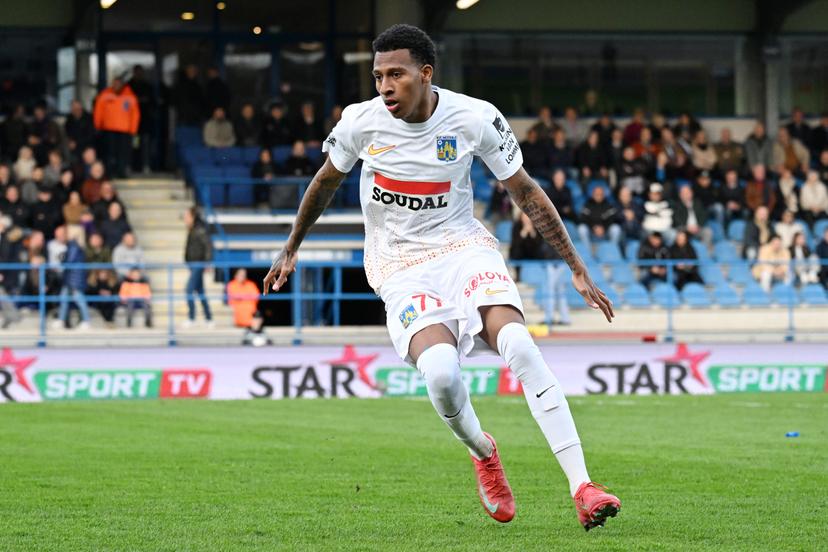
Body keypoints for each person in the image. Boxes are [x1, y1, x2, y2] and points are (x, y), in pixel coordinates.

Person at [262, 24, 619, 529]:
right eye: (378, 75)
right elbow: (324, 182)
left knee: (517, 342)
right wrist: (291, 247)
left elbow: (527, 192)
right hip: (399, 263)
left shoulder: (475, 117)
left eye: (396, 74)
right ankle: (483, 451)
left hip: (461, 247)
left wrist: (576, 268)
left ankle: (582, 485)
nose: (385, 85)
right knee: (444, 375)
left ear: (425, 74)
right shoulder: (359, 123)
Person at [509, 212, 570, 326]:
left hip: (555, 262)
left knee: (551, 290)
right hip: (552, 262)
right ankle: (563, 318)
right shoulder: (546, 226)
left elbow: (551, 246)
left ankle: (550, 318)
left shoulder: (549, 227)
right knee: (557, 291)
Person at [93, 76, 140, 178]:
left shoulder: (130, 96)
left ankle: (121, 172)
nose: (116, 86)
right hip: (108, 129)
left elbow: (135, 114)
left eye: (118, 83)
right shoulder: (105, 94)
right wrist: (97, 125)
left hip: (124, 131)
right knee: (109, 153)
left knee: (123, 153)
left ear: (122, 84)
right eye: (114, 83)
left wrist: (133, 130)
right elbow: (98, 111)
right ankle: (109, 173)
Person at [51, 226, 91, 330]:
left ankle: (86, 321)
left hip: (74, 277)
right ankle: (61, 320)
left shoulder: (74, 245)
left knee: (79, 298)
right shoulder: (72, 245)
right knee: (63, 298)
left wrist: (61, 260)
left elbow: (69, 260)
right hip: (70, 276)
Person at [184, 207, 213, 327]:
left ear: (193, 217)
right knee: (200, 291)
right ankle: (209, 318)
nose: (185, 219)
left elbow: (208, 246)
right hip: (193, 264)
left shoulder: (200, 230)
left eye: (187, 216)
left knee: (189, 290)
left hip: (198, 264)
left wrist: (207, 263)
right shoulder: (192, 229)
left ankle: (191, 317)